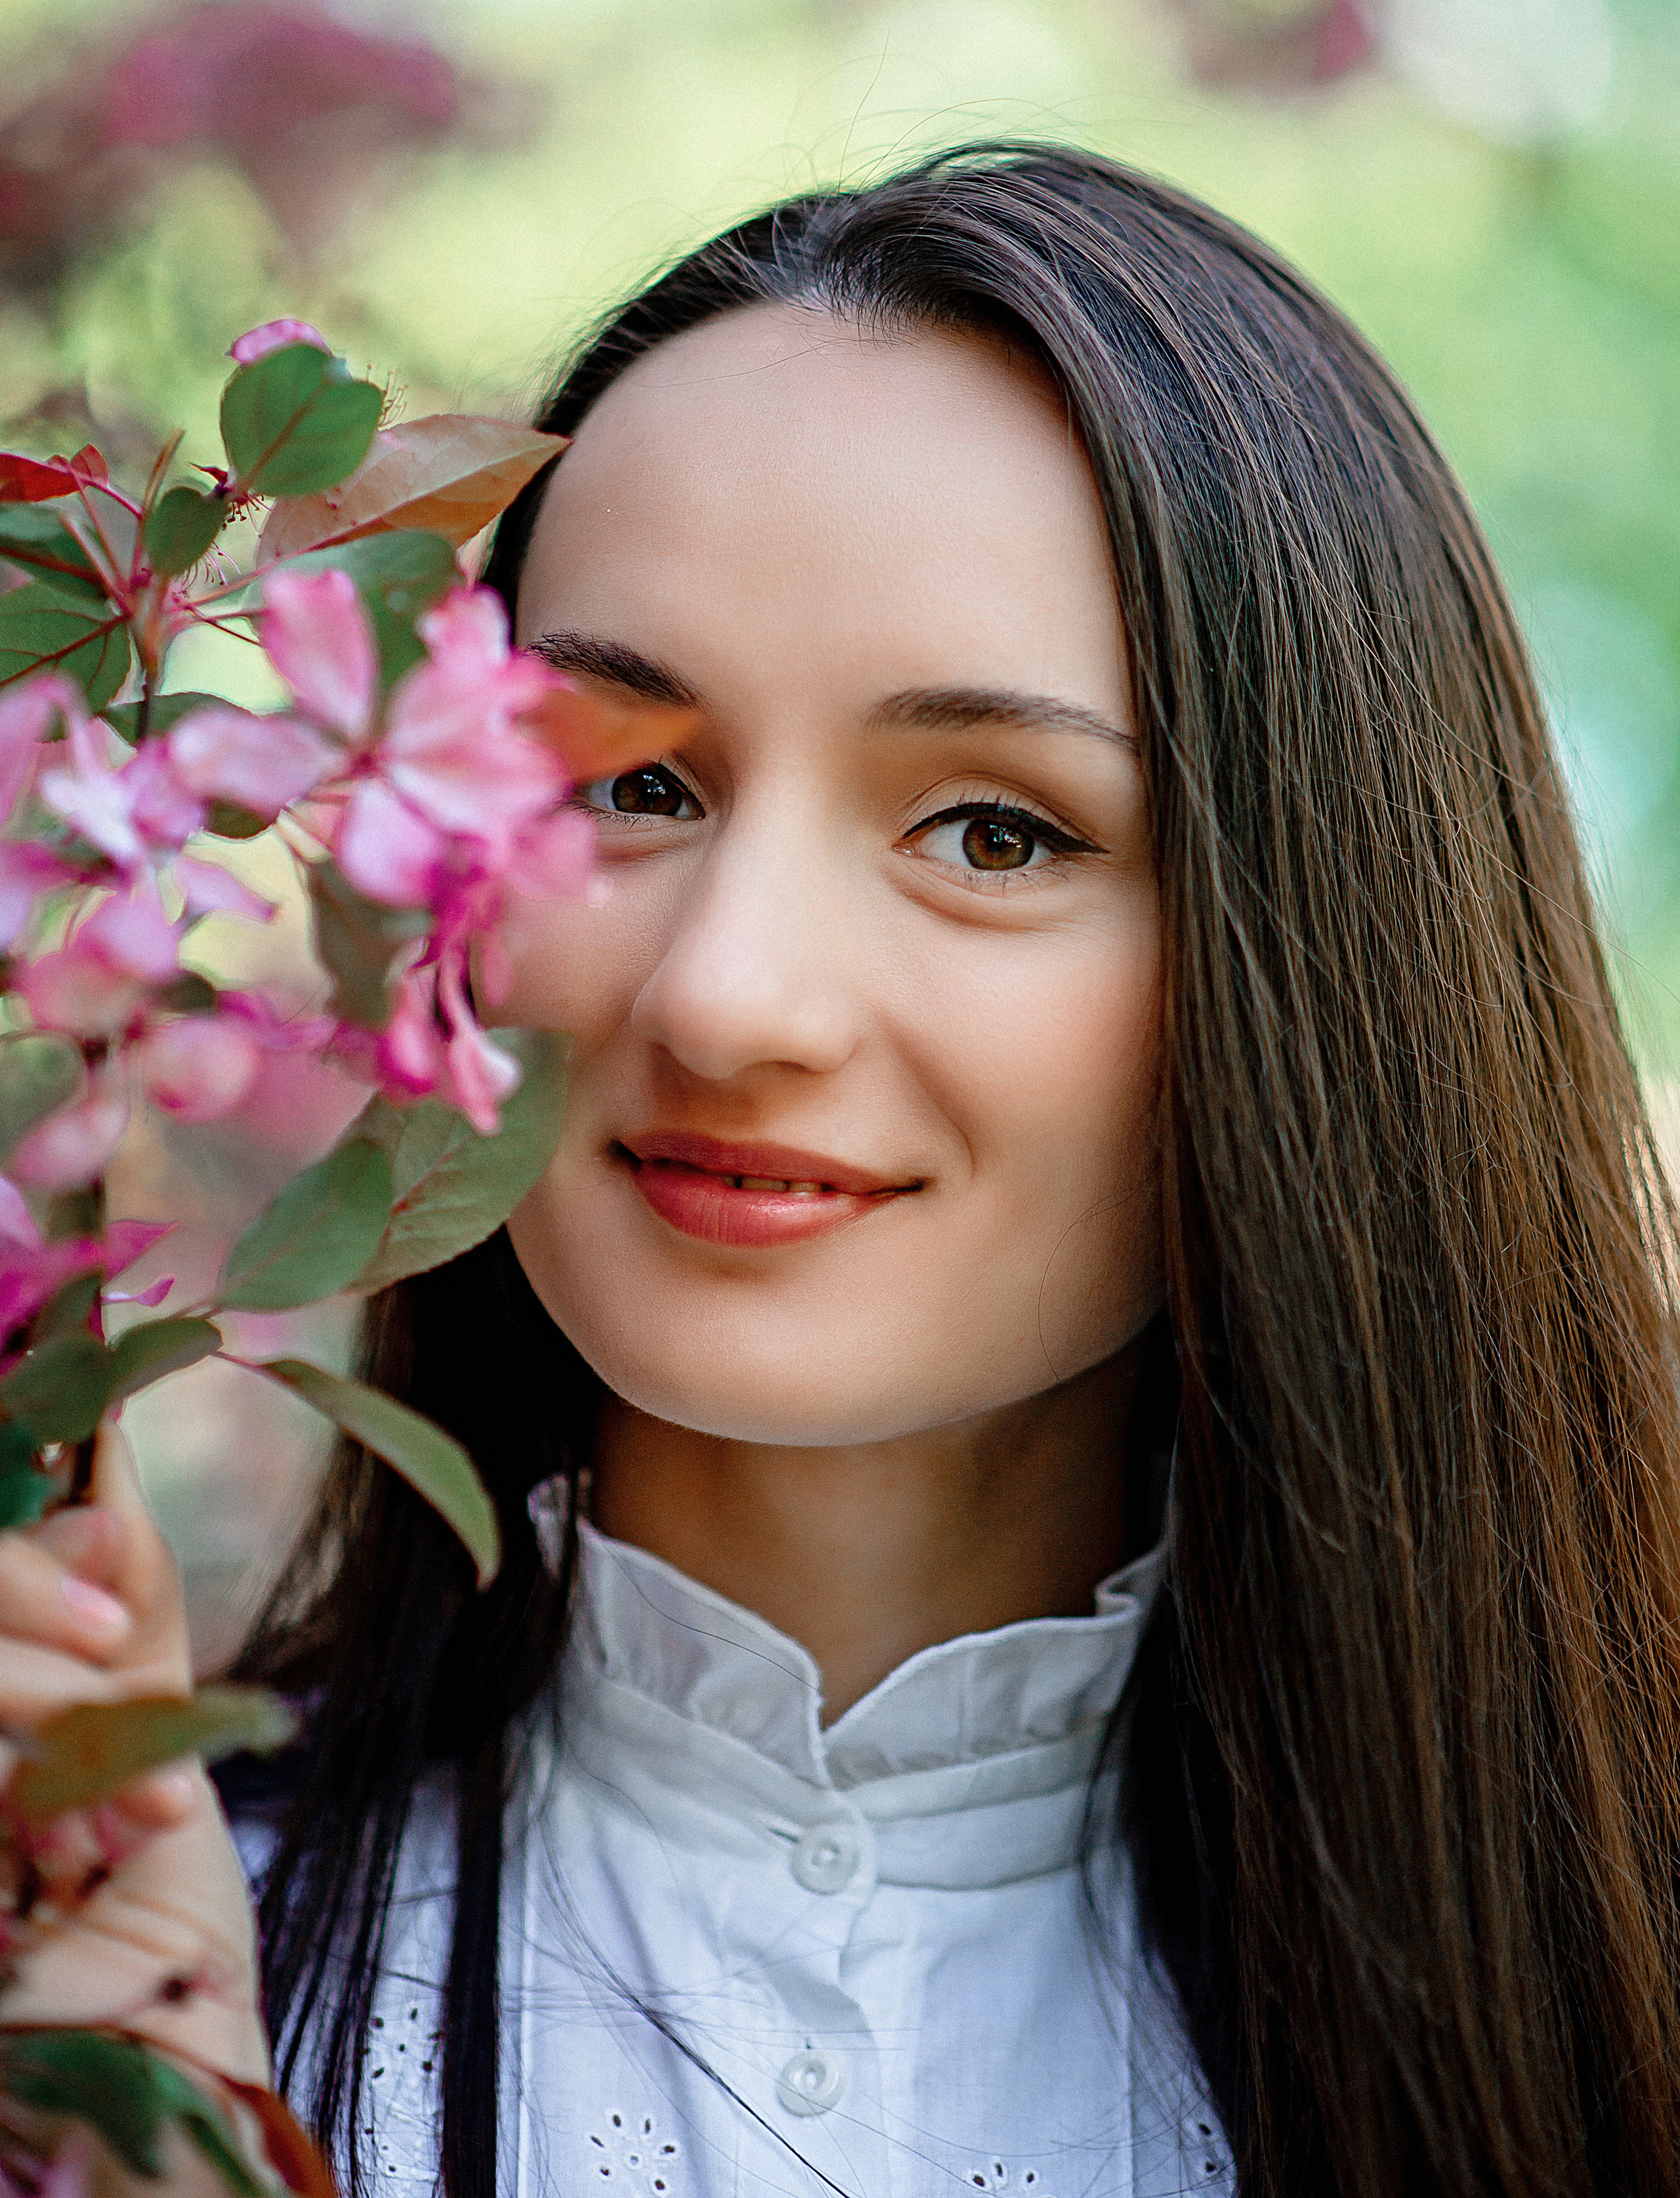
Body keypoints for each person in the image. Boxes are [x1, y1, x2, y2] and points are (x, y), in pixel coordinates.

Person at [2, 142, 1679, 2198]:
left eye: (992, 830)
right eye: (632, 783)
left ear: (1327, 953)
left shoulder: (1621, 2018)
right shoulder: (110, 1977)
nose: (734, 996)